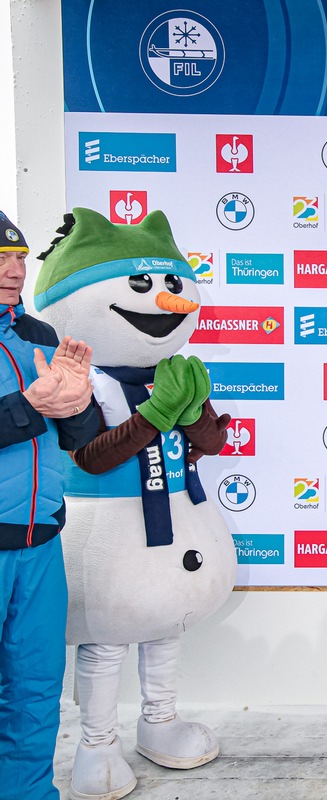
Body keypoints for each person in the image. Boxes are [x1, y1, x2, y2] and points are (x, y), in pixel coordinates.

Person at [0, 210, 99, 800]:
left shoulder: (40, 337)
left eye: (18, 259)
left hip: (41, 546)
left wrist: (79, 403)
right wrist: (31, 406)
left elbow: (78, 439)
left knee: (37, 688)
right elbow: (28, 413)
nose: (13, 271)